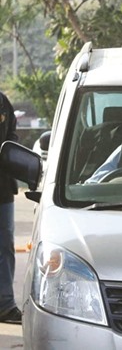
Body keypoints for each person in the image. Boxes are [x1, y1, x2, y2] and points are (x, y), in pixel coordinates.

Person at [0, 91, 21, 324]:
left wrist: (10, 151)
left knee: (5, 246)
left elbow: (13, 135)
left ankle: (5, 306)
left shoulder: (3, 102)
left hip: (2, 189)